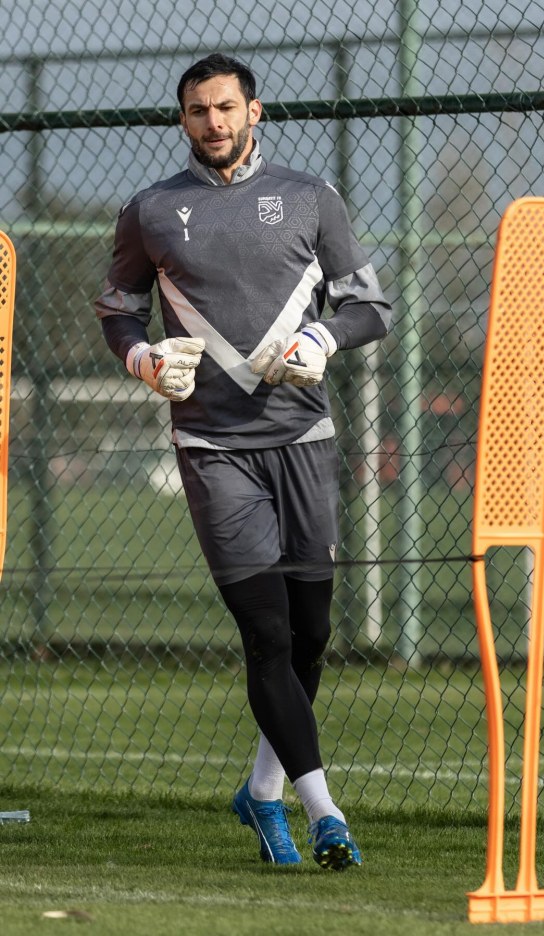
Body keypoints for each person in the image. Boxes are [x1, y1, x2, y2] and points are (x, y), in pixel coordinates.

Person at [94, 52, 392, 870]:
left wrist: (323, 335)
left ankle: (261, 791)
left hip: (304, 441)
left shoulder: (311, 197)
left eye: (226, 107)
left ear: (254, 112)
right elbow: (118, 309)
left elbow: (371, 306)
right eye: (198, 111)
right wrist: (143, 360)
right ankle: (325, 814)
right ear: (182, 120)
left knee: (310, 635)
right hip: (212, 448)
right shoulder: (151, 211)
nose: (213, 122)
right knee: (265, 631)